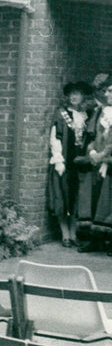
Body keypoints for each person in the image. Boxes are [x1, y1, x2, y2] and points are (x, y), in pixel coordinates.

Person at [46, 81, 94, 247]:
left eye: (78, 93)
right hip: (65, 161)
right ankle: (65, 234)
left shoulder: (87, 115)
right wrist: (58, 158)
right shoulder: (61, 113)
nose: (74, 96)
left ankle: (74, 234)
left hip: (80, 163)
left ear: (82, 96)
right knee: (62, 197)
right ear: (68, 96)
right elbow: (55, 137)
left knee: (76, 199)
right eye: (72, 93)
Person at [77, 78, 112, 254]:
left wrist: (104, 156)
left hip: (109, 163)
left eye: (111, 91)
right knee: (96, 201)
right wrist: (92, 152)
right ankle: (95, 240)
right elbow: (91, 136)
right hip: (97, 164)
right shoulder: (101, 112)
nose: (107, 94)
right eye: (106, 91)